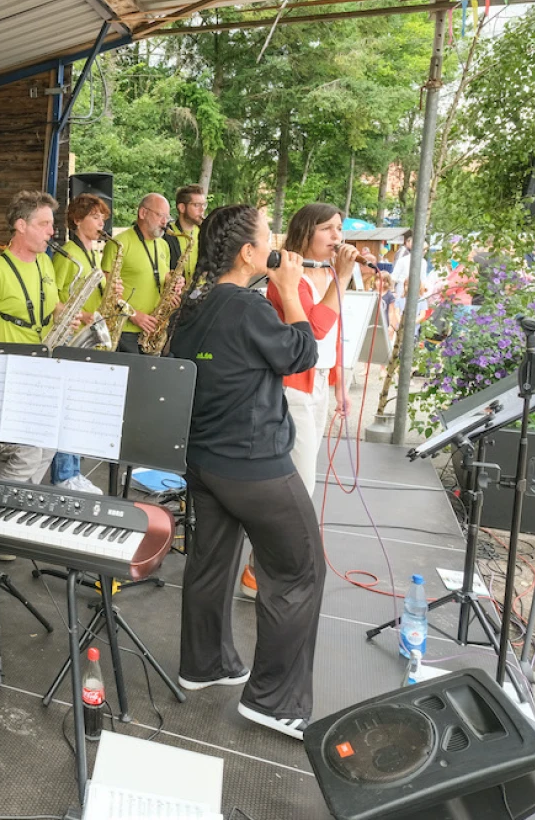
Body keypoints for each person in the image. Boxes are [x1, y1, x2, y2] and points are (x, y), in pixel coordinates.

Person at [168, 204, 323, 740]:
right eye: (267, 237)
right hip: (253, 465)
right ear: (248, 253)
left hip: (205, 462)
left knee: (211, 564)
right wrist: (290, 288)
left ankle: (205, 665)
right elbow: (301, 353)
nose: (276, 243)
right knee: (300, 572)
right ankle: (274, 701)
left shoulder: (193, 304)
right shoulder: (251, 307)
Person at [239, 203, 356, 599]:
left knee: (304, 481)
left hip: (318, 385)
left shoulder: (321, 274)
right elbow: (314, 331)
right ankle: (265, 568)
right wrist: (342, 276)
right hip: (293, 388)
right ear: (306, 231)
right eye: (329, 229)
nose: (337, 237)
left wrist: (340, 385)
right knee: (298, 485)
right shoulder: (286, 279)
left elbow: (336, 339)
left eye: (339, 229)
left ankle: (264, 566)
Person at [0, 191, 73, 483]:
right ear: (20, 225)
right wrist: (0, 378)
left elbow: (53, 305)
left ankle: (21, 505)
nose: (52, 231)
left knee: (49, 446)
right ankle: (2, 505)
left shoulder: (45, 263)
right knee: (27, 453)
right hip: (13, 377)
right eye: (44, 224)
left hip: (45, 371)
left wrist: (75, 315)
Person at [49, 193, 118, 494]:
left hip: (85, 338)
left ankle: (73, 470)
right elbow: (55, 300)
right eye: (94, 216)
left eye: (103, 217)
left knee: (78, 408)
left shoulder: (93, 254)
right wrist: (89, 315)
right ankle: (64, 474)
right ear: (77, 220)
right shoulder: (68, 253)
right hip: (71, 339)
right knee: (68, 408)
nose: (101, 222)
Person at [103, 193, 176, 354]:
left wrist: (174, 284)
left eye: (167, 217)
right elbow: (106, 290)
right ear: (143, 213)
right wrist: (134, 314)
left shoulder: (163, 245)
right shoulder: (119, 243)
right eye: (160, 215)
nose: (165, 222)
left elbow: (161, 278)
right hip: (125, 330)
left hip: (153, 331)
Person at [164, 184, 206, 281]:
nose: (202, 210)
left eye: (204, 205)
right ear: (182, 207)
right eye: (196, 205)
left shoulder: (206, 231)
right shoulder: (167, 234)